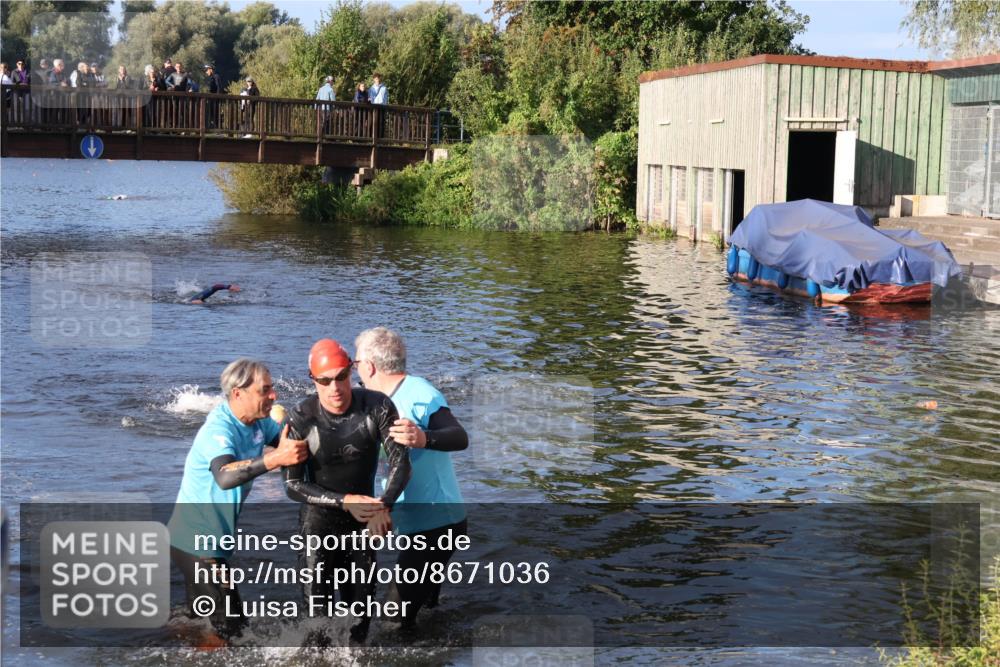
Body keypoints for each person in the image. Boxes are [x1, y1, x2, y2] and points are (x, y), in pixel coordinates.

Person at [168, 358, 308, 641]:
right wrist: (274, 459)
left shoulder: (256, 423)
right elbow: (224, 476)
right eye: (264, 390)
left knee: (201, 623)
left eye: (272, 388)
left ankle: (175, 639)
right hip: (197, 543)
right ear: (238, 394)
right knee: (231, 630)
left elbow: (285, 437)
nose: (273, 395)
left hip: (206, 541)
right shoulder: (218, 430)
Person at [284, 338, 411, 645]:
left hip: (363, 523)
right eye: (324, 381)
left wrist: (383, 507)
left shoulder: (377, 405)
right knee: (317, 624)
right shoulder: (302, 416)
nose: (334, 388)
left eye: (341, 377)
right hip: (318, 524)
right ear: (312, 380)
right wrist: (345, 501)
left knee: (360, 623)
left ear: (352, 372)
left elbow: (401, 464)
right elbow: (292, 485)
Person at [353, 327, 468, 631]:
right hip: (416, 522)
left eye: (355, 364)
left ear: (370, 366)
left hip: (438, 522)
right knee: (426, 611)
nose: (356, 371)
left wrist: (423, 437)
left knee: (394, 619)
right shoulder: (373, 401)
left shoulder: (419, 392)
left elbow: (459, 437)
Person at [203, 64, 222, 129]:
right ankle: (214, 126)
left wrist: (217, 96)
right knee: (211, 113)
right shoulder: (211, 78)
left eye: (207, 70)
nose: (206, 72)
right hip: (211, 98)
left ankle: (218, 127)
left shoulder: (216, 76)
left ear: (211, 70)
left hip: (215, 99)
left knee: (215, 113)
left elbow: (218, 87)